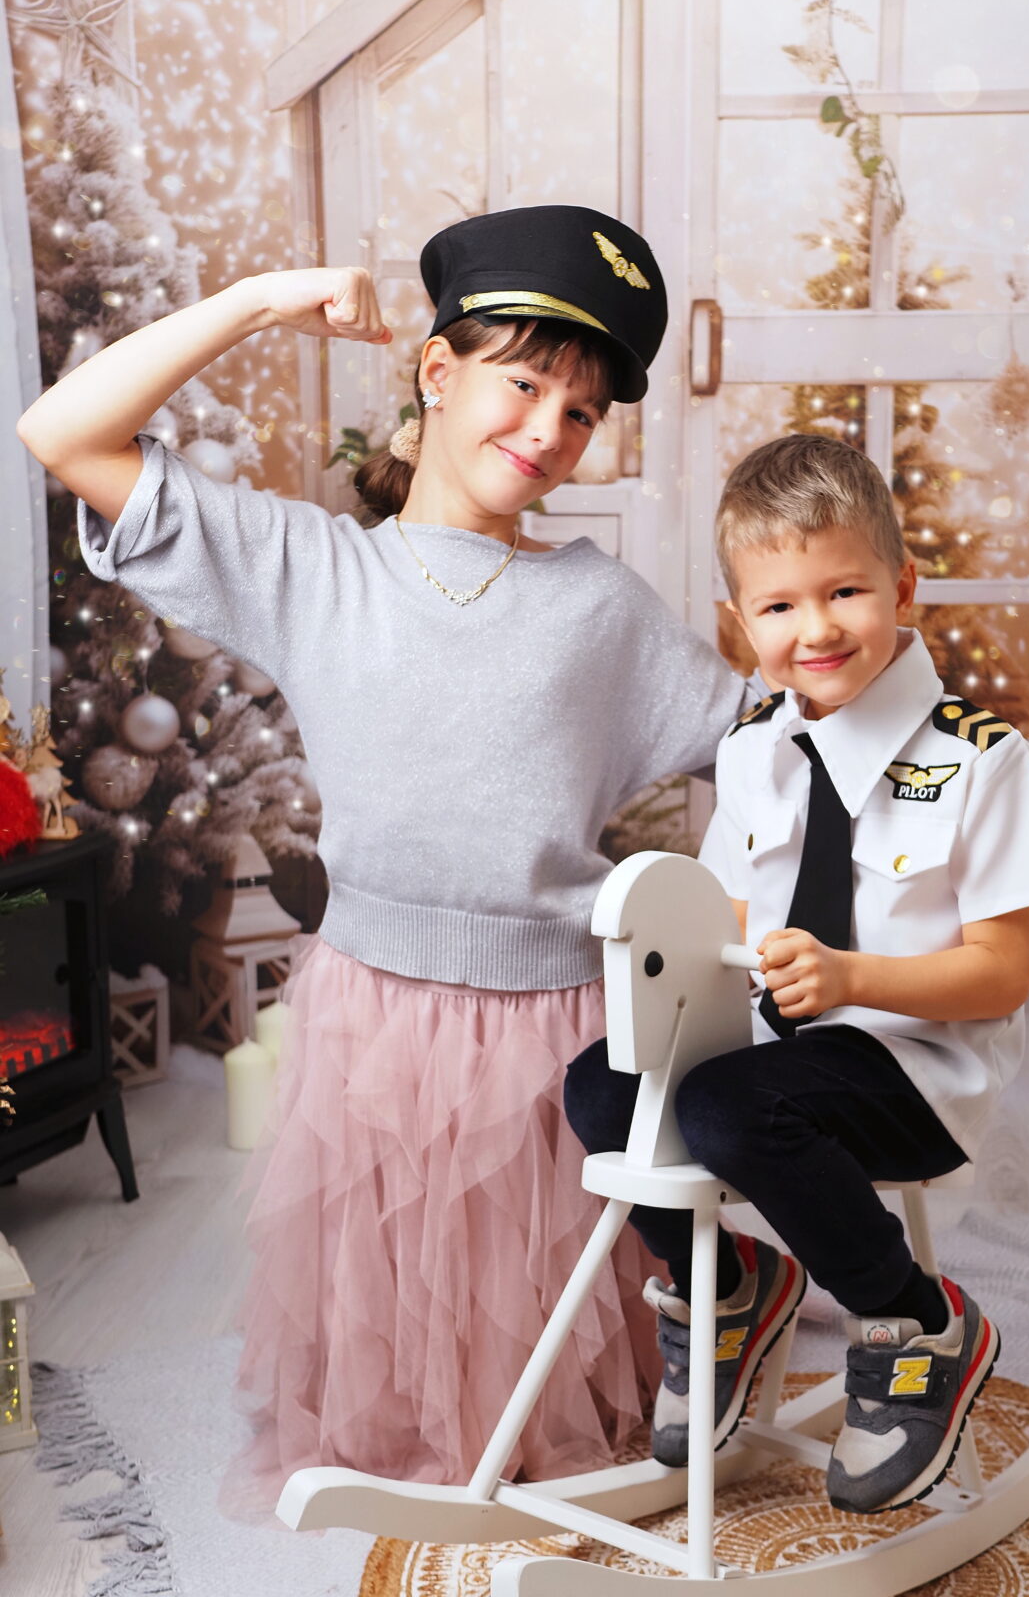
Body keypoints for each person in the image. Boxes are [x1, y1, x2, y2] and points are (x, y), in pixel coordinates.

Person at [17, 205, 756, 1503]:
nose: (548, 431)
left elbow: (766, 746)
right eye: (523, 384)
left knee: (542, 1303)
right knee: (397, 1287)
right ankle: (421, 1475)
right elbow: (63, 432)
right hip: (374, 1009)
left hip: (558, 1020)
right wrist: (259, 300)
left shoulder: (601, 606)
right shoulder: (312, 568)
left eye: (581, 412)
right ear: (436, 372)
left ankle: (634, 1401)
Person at [564, 432, 1029, 1513]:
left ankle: (918, 1321)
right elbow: (731, 913)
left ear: (903, 586)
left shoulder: (981, 758)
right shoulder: (755, 749)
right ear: (741, 624)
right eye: (780, 605)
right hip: (782, 1047)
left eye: (845, 591)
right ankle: (730, 1295)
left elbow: (1001, 974)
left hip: (917, 1069)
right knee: (600, 1086)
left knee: (730, 1108)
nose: (817, 628)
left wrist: (850, 980)